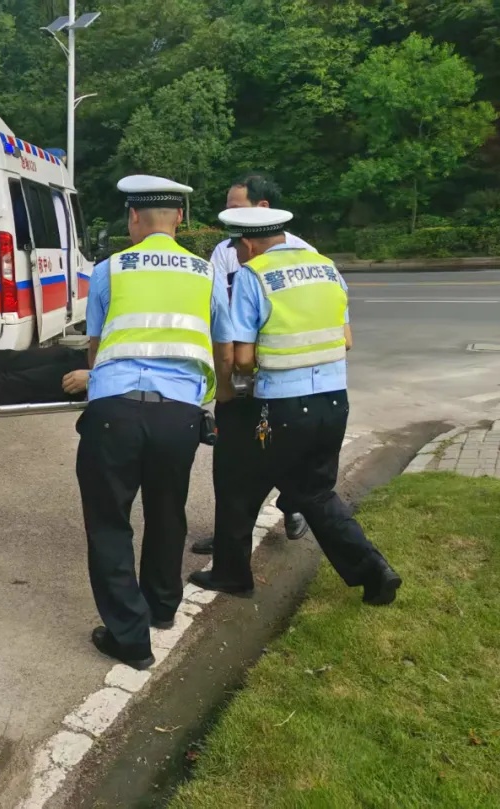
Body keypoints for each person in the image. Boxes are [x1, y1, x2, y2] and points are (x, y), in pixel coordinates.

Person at [188, 206, 402, 607]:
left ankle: (232, 575)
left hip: (281, 408)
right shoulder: (327, 268)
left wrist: (234, 385)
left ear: (248, 243)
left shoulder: (254, 276)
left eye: (237, 248)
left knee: (236, 482)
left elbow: (243, 358)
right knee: (315, 493)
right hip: (334, 403)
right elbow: (346, 339)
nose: (238, 256)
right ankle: (374, 569)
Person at [77, 175, 235, 670]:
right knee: (167, 512)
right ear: (180, 219)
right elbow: (224, 349)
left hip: (115, 411)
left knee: (110, 522)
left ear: (132, 218)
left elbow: (95, 346)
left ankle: (129, 636)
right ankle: (162, 607)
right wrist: (217, 400)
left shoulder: (108, 269)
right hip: (179, 416)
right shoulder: (205, 271)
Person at [192, 173, 311, 554]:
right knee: (231, 459)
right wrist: (224, 375)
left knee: (283, 448)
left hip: (282, 375)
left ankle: (293, 505)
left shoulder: (301, 253)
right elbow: (218, 311)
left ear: (263, 208)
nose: (226, 215)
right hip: (239, 372)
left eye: (235, 207)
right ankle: (229, 534)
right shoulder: (225, 251)